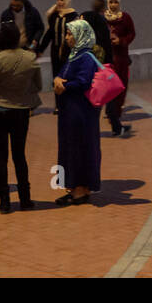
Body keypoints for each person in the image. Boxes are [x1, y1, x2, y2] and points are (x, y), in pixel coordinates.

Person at [0, 22, 43, 212]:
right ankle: (25, 199)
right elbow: (37, 85)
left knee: (1, 157)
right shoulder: (30, 58)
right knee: (19, 155)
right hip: (21, 111)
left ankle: (5, 202)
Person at [53, 20, 102, 205]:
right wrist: (59, 80)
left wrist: (63, 85)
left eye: (70, 34)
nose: (67, 38)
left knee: (80, 148)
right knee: (69, 148)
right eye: (66, 34)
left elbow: (83, 82)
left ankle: (81, 190)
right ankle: (72, 187)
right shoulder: (74, 55)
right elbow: (63, 74)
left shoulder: (86, 57)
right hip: (69, 111)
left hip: (80, 113)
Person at [103, 0, 136, 137]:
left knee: (121, 85)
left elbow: (132, 33)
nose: (113, 5)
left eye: (115, 2)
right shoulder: (103, 18)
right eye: (111, 2)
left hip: (121, 58)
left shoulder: (125, 17)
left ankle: (116, 113)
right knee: (109, 87)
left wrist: (121, 41)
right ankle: (112, 115)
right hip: (108, 59)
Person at [38, 0, 77, 85]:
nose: (59, 2)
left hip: (68, 51)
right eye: (58, 0)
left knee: (67, 77)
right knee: (56, 77)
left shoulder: (73, 15)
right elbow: (49, 34)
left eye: (62, 0)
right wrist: (40, 50)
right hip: (55, 50)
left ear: (67, 1)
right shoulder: (54, 16)